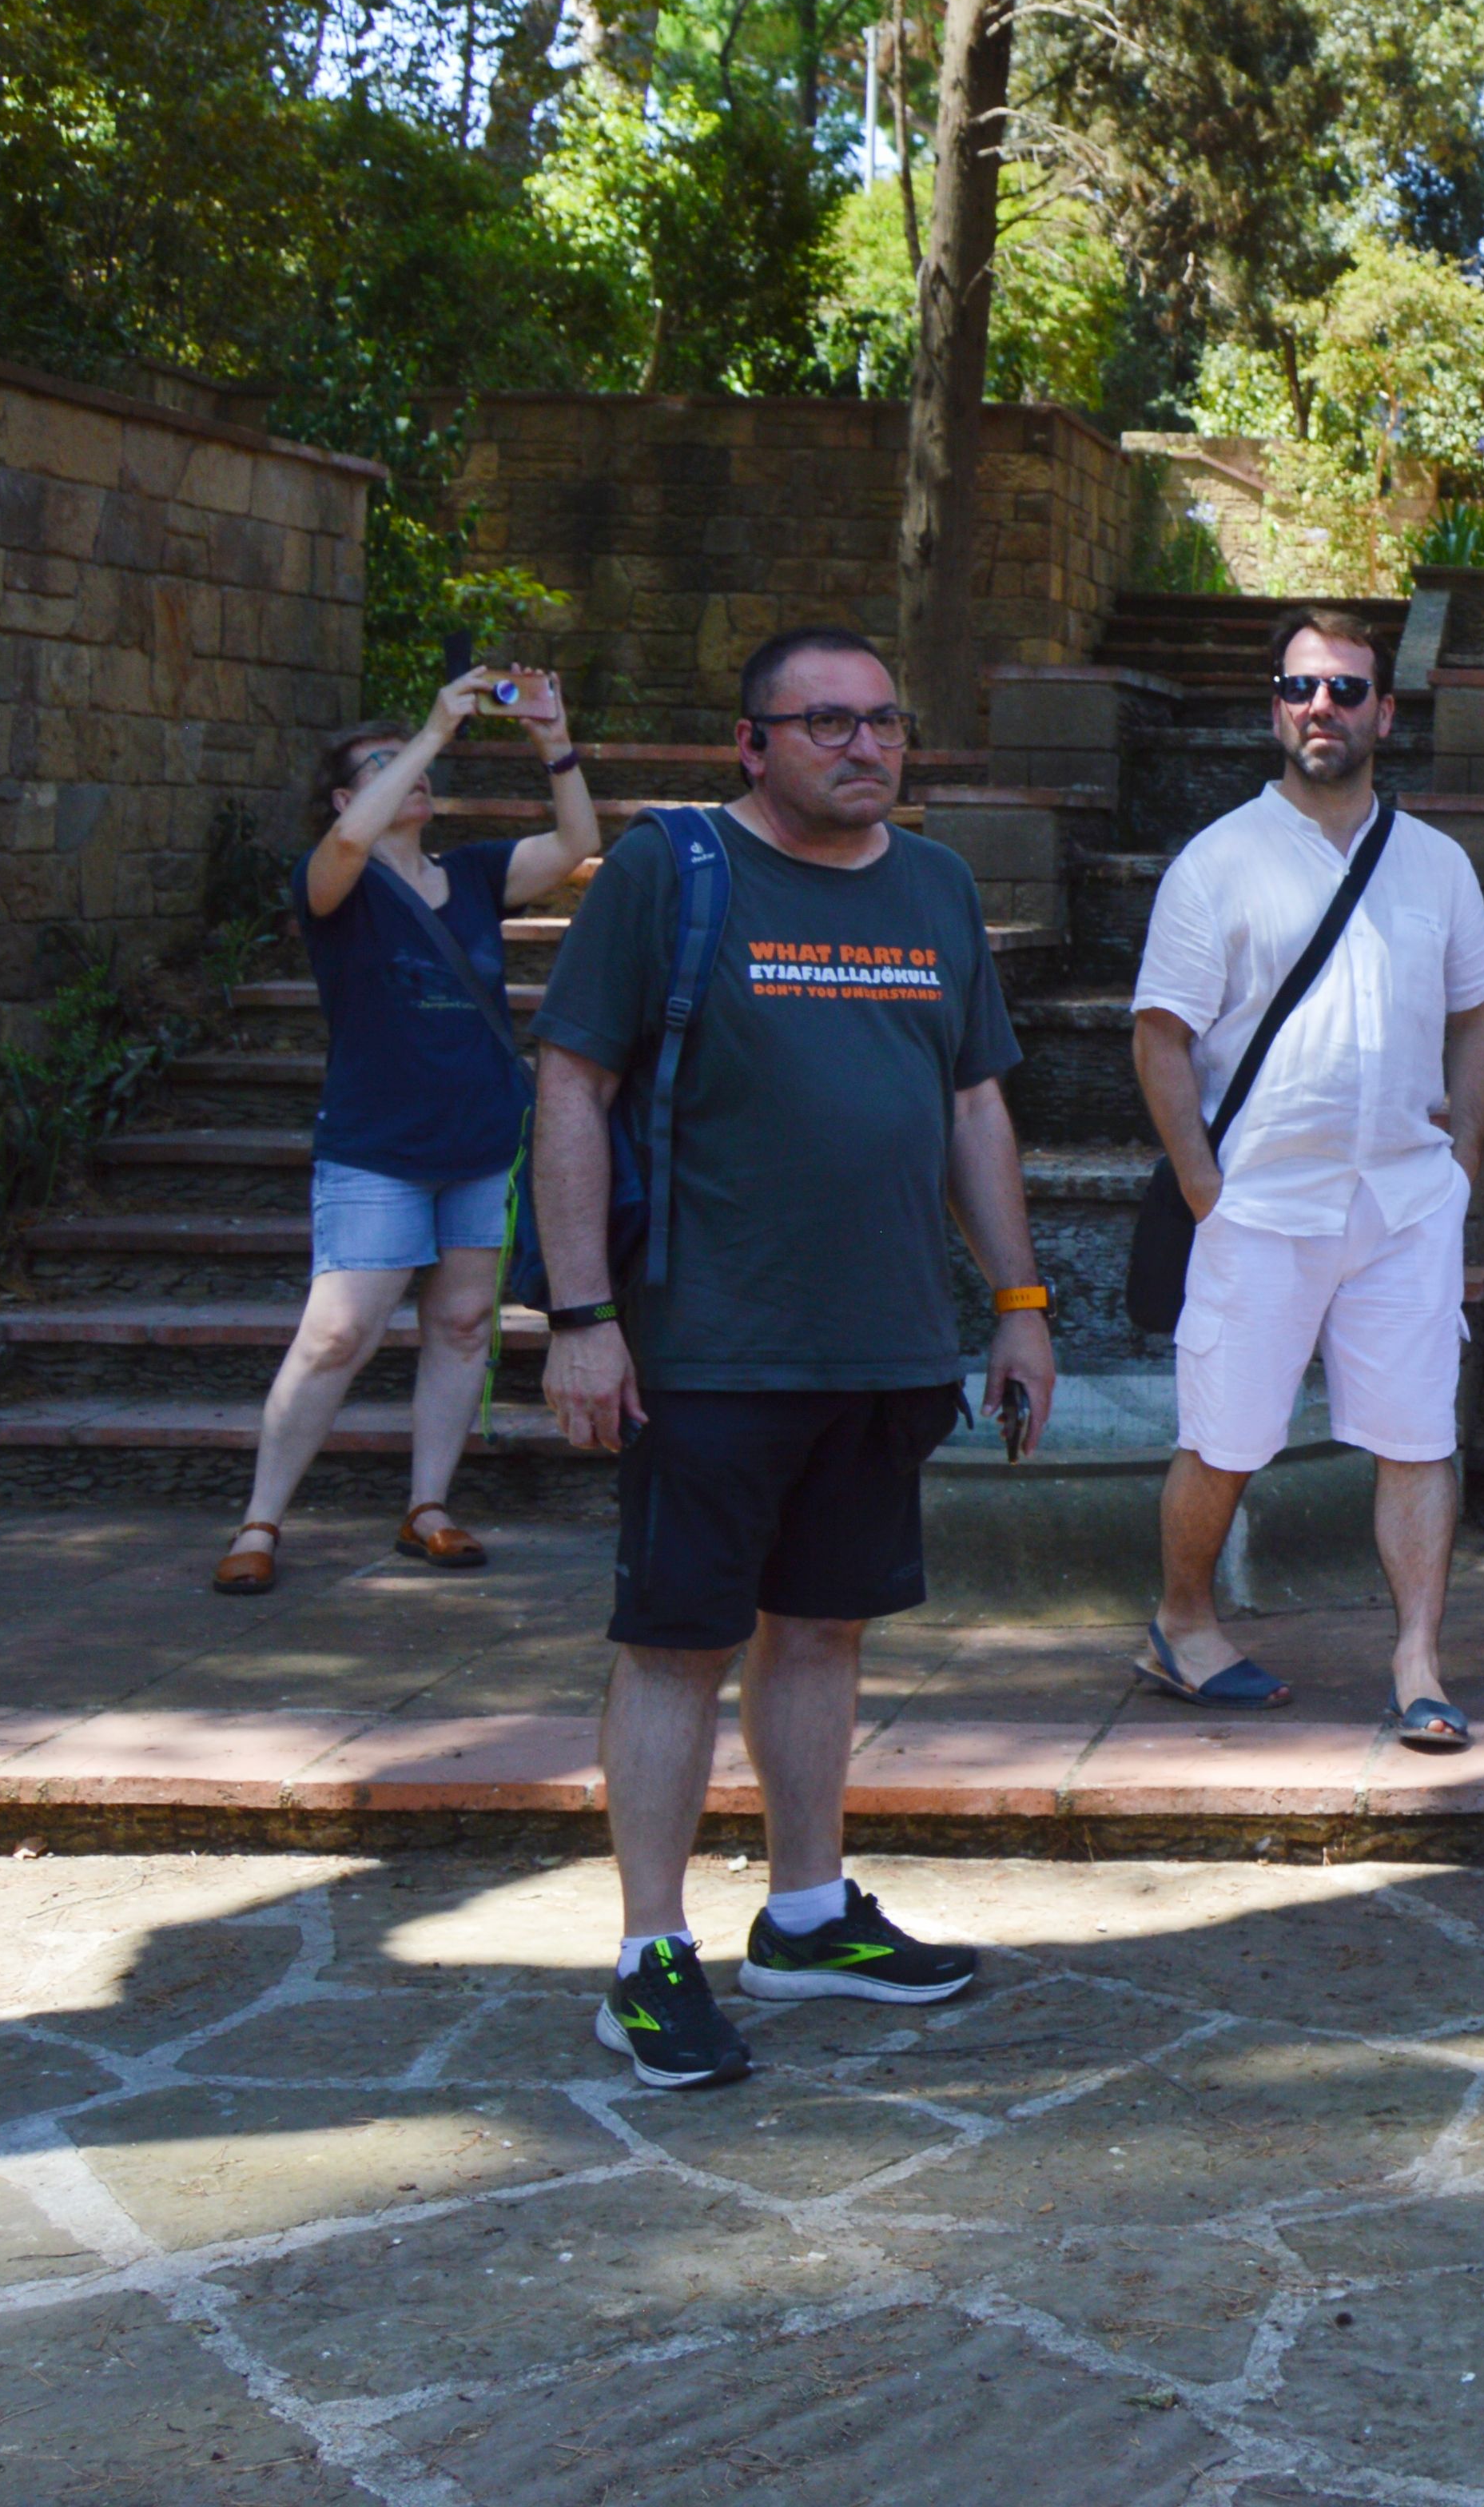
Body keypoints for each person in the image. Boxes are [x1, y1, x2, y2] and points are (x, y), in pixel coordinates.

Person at [533, 626, 1056, 2094]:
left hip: (885, 1339)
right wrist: (582, 1319)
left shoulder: (937, 886)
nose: (864, 746)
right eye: (824, 723)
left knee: (826, 1629)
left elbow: (975, 1108)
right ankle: (648, 1957)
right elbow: (573, 1086)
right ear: (751, 744)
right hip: (708, 1338)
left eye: (884, 720)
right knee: (676, 1644)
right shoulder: (670, 871)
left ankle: (810, 1913)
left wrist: (1015, 1299)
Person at [1131, 602, 1484, 1735]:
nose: (1322, 709)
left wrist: (1463, 1160)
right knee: (1226, 1438)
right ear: (1274, 710)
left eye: (1346, 690)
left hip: (1403, 1201)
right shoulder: (1219, 862)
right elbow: (1159, 1035)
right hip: (1260, 1203)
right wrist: (1206, 1189)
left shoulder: (1435, 864)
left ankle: (1419, 1664)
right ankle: (1185, 1624)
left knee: (1418, 1437)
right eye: (1302, 689)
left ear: (1384, 714)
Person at [217, 672, 599, 1593]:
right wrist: (430, 729)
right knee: (337, 1335)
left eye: (417, 762)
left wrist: (554, 736)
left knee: (464, 1324)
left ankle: (428, 1507)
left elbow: (581, 843)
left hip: (479, 1140)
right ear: (349, 795)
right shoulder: (334, 882)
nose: (412, 776)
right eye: (383, 767)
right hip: (375, 1147)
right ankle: (260, 1522)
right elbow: (350, 839)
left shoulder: (470, 875)